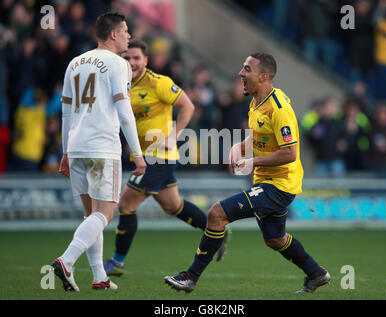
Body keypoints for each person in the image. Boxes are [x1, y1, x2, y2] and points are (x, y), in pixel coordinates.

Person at [164, 53, 330, 294]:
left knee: (216, 213)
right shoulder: (256, 101)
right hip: (268, 181)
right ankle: (316, 274)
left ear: (263, 76)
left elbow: (290, 153)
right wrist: (238, 147)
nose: (240, 73)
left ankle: (190, 276)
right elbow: (258, 137)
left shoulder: (279, 109)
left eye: (246, 69)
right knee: (274, 239)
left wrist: (252, 161)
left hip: (280, 184)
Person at [103, 39, 230, 277]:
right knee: (173, 205)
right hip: (143, 155)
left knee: (126, 204)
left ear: (145, 61)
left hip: (158, 157)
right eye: (127, 58)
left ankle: (117, 262)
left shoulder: (158, 82)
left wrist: (174, 136)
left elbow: (188, 106)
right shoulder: (121, 84)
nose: (131, 62)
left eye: (136, 58)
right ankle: (216, 230)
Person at [51, 12, 146, 292]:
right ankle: (66, 261)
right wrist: (138, 153)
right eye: (126, 30)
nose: (129, 35)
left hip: (77, 146)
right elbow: (124, 111)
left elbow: (66, 111)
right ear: (113, 34)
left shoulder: (74, 63)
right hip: (103, 147)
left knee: (91, 215)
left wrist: (66, 152)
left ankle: (99, 278)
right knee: (104, 214)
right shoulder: (119, 64)